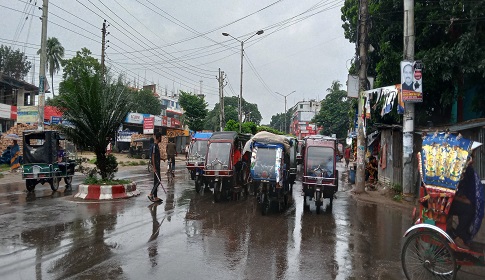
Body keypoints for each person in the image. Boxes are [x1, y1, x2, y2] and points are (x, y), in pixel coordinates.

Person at [448, 154, 478, 249]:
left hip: (450, 199)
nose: (472, 161)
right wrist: (462, 199)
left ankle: (462, 234)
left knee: (471, 206)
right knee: (468, 209)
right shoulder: (459, 168)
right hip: (445, 201)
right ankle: (458, 234)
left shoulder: (465, 169)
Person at [148, 132, 163, 203]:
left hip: (157, 165)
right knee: (159, 180)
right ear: (159, 137)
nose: (161, 139)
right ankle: (151, 194)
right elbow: (153, 156)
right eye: (161, 138)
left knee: (155, 182)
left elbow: (156, 156)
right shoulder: (154, 146)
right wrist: (154, 167)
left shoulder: (156, 146)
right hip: (156, 166)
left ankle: (155, 196)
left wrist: (162, 159)